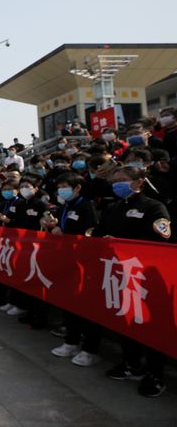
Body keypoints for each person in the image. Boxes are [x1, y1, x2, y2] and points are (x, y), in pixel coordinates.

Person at [92, 166, 171, 397]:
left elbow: (162, 239)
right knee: (126, 320)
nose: (117, 184)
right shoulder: (111, 208)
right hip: (118, 274)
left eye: (123, 180)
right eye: (115, 180)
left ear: (139, 182)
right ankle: (131, 364)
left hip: (146, 276)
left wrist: (123, 242)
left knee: (151, 326)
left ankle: (155, 374)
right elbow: (97, 233)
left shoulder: (154, 207)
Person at [42, 172, 102, 367]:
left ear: (77, 187)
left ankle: (90, 349)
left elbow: (91, 234)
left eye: (65, 186)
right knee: (68, 304)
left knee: (87, 307)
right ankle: (71, 341)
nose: (61, 190)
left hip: (85, 264)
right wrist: (53, 227)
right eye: (59, 187)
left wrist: (66, 233)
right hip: (67, 262)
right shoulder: (64, 207)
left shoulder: (86, 206)